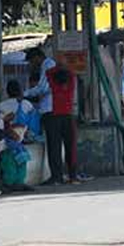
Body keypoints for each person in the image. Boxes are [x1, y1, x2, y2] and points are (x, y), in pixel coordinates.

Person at [43, 53, 87, 184]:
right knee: (70, 146)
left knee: (54, 147)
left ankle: (57, 176)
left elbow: (44, 87)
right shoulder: (71, 76)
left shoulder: (49, 73)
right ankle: (72, 175)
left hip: (54, 113)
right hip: (68, 113)